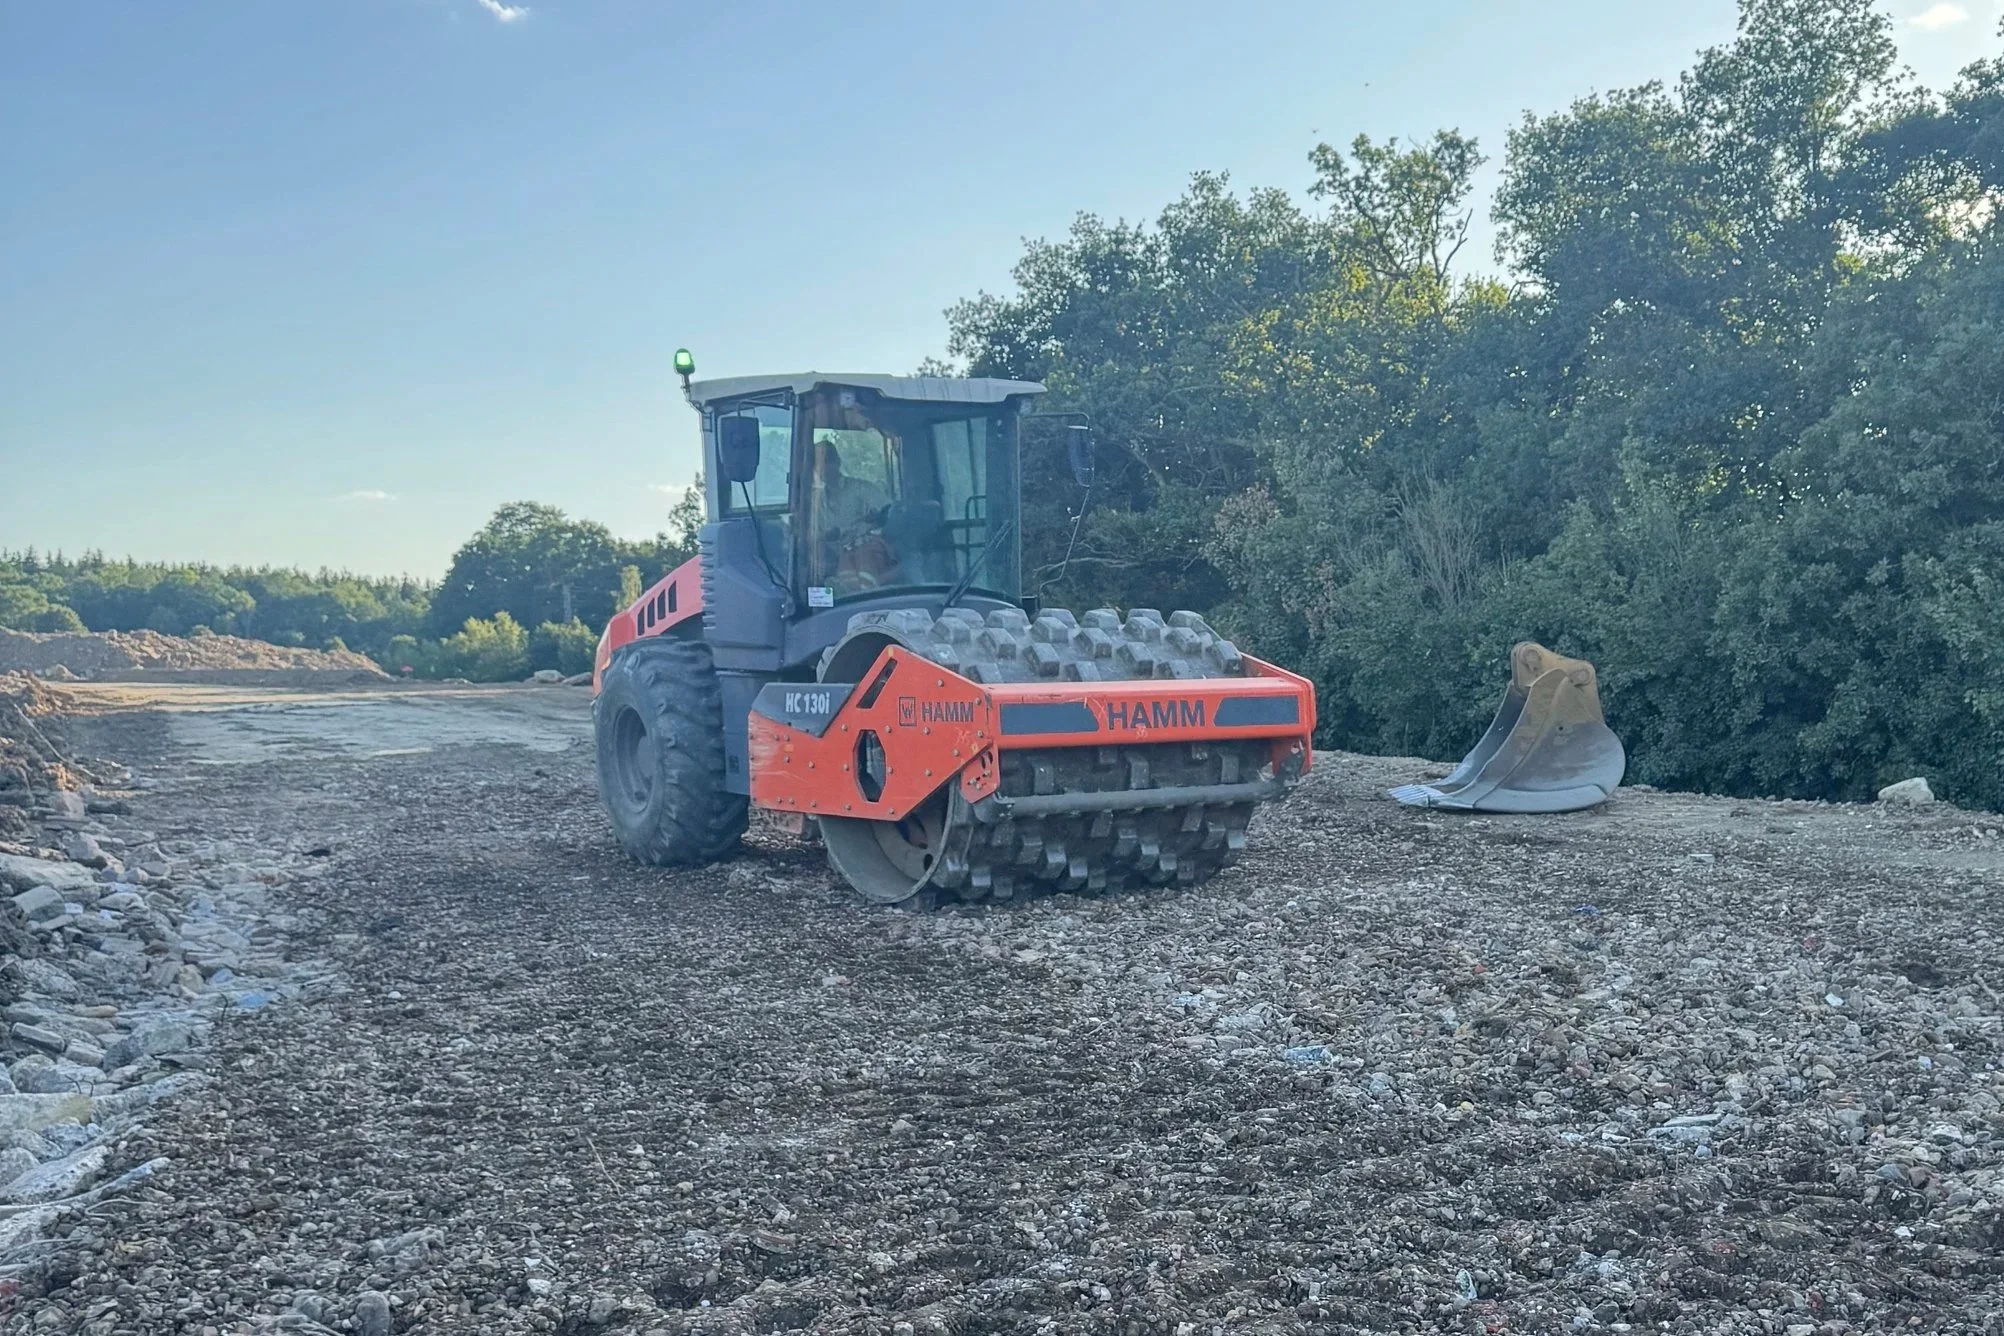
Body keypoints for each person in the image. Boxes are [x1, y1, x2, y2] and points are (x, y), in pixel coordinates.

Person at [812, 439, 897, 590]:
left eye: (827, 462)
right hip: (831, 560)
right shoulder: (815, 501)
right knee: (817, 590)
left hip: (866, 553)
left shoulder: (862, 489)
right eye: (818, 464)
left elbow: (890, 513)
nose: (823, 468)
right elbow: (813, 537)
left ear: (837, 462)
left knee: (860, 582)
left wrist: (873, 521)